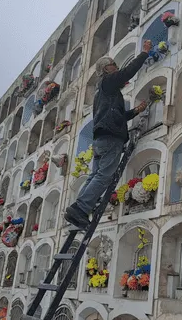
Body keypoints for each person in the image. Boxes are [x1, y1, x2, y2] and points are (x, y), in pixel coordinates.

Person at [64, 39, 153, 228]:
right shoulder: (108, 82)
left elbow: (115, 116)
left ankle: (78, 209)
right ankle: (81, 208)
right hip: (111, 139)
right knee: (104, 176)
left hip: (100, 140)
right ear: (106, 69)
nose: (117, 67)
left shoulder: (102, 93)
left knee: (95, 175)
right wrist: (144, 53)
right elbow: (127, 72)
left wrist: (135, 111)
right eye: (114, 65)